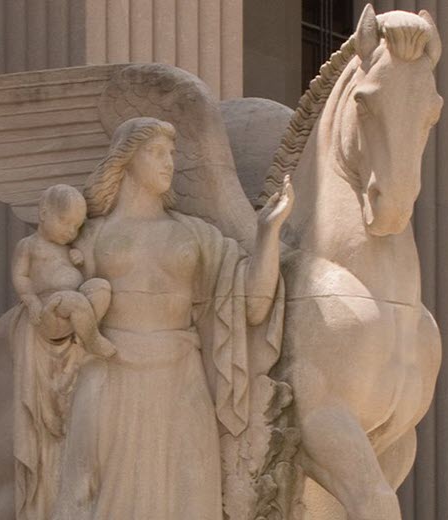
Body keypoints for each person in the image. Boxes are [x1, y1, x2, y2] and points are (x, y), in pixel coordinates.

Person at [50, 117, 294, 519]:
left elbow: (253, 304)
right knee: (93, 495)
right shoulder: (91, 235)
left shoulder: (196, 235)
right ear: (128, 159)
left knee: (189, 495)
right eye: (156, 153)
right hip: (111, 371)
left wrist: (268, 234)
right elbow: (54, 316)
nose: (169, 163)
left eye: (172, 154)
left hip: (180, 374)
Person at [11, 183, 115, 358]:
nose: (70, 231)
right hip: (50, 309)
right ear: (44, 214)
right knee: (74, 300)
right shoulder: (29, 245)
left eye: (76, 226)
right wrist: (32, 301)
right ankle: (93, 341)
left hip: (74, 307)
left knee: (101, 287)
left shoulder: (67, 247)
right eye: (65, 222)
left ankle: (83, 334)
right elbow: (20, 276)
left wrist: (78, 261)